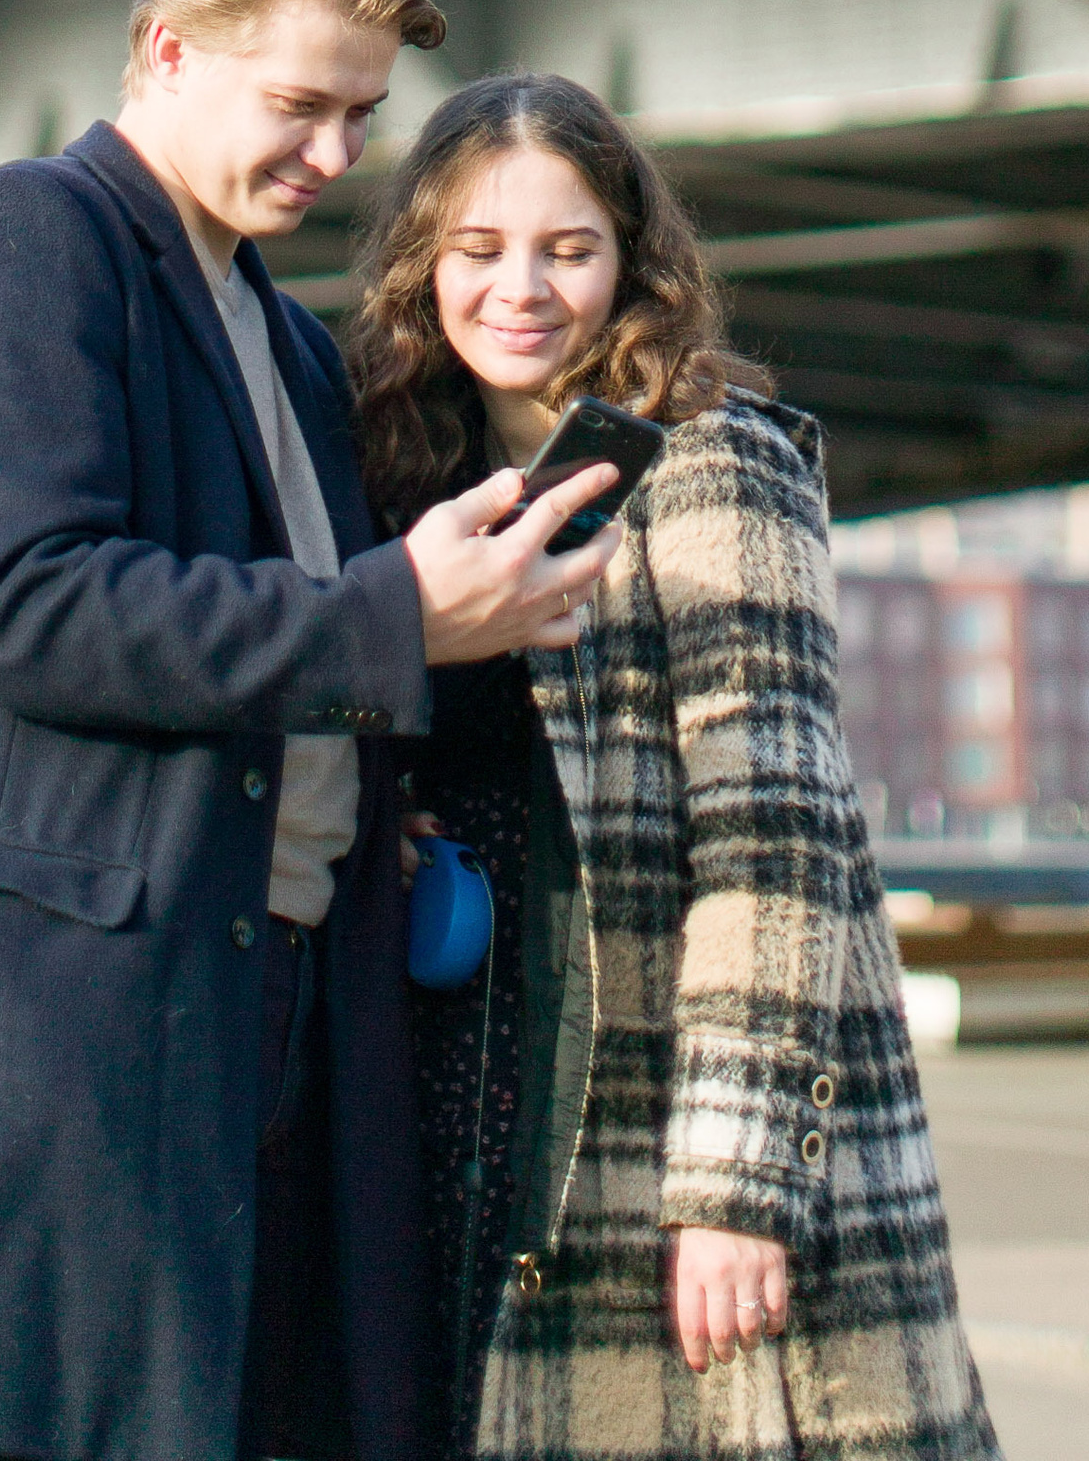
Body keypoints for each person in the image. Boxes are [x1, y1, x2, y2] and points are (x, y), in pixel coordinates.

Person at [0, 0, 624, 1461]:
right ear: (170, 51)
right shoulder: (22, 243)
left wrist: (359, 792)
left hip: (278, 1014)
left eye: (364, 117)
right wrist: (399, 616)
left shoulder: (290, 342)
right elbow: (26, 606)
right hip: (84, 1055)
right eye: (303, 102)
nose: (336, 155)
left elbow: (264, 667)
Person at [349, 73, 998, 1461]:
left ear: (631, 265)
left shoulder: (711, 467)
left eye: (567, 249)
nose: (520, 288)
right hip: (469, 1103)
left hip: (649, 1119)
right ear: (424, 265)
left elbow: (775, 841)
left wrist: (735, 1187)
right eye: (478, 250)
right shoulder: (411, 480)